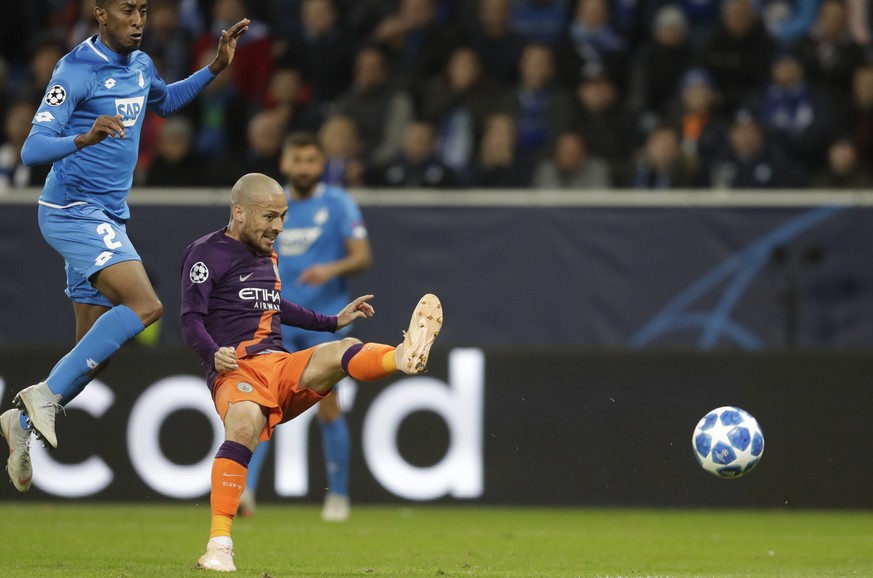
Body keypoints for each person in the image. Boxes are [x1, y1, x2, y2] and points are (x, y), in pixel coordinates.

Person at [0, 0, 250, 494]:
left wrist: (214, 69)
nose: (139, 19)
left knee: (95, 349)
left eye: (143, 9)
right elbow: (32, 149)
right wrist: (83, 138)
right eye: (127, 10)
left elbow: (164, 102)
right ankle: (43, 396)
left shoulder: (141, 64)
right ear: (99, 13)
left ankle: (21, 423)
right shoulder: (75, 70)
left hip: (108, 214)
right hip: (72, 210)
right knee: (146, 304)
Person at [181, 173, 442, 572]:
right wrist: (212, 353)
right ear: (239, 212)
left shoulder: (266, 253)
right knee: (246, 425)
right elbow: (190, 321)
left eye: (283, 217)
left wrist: (333, 321)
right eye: (270, 217)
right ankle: (219, 545)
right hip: (237, 370)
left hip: (280, 364)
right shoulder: (204, 254)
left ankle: (401, 358)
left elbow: (276, 305)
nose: (279, 227)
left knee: (345, 350)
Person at [237, 131, 373, 522]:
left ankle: (338, 496)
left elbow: (363, 256)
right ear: (284, 163)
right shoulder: (273, 207)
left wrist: (330, 268)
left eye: (311, 160)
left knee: (327, 406)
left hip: (325, 321)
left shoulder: (338, 203)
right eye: (297, 160)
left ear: (321, 164)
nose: (303, 168)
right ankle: (246, 492)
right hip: (275, 321)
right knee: (262, 405)